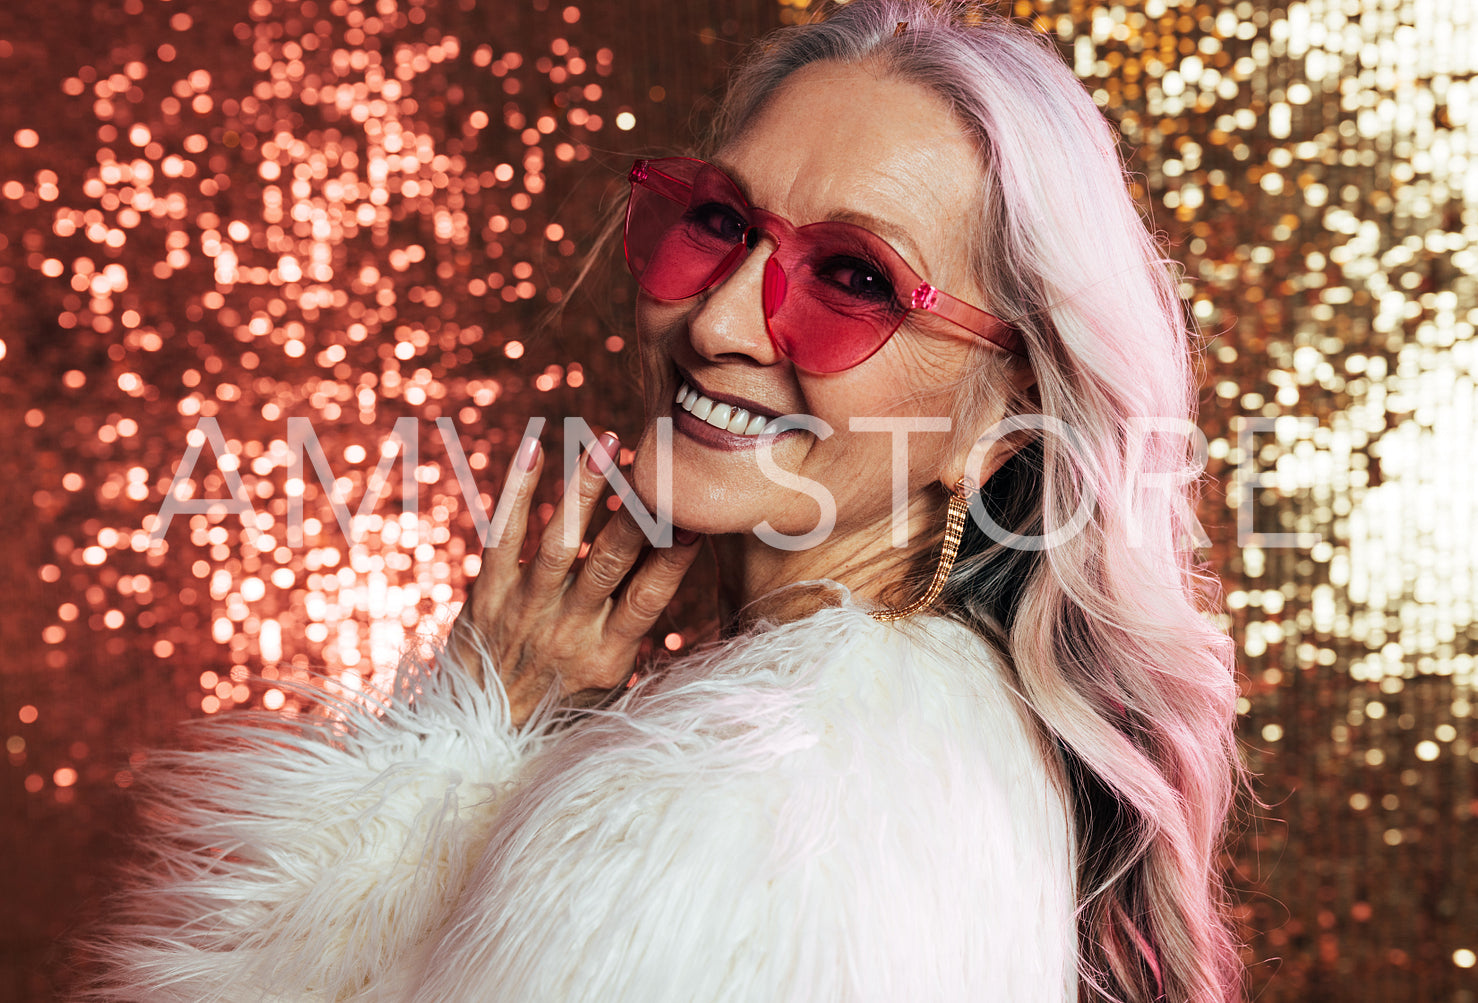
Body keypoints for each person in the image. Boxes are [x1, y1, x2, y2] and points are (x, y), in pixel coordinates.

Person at [82, 1, 1244, 1000]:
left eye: (852, 279)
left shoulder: (754, 801)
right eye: (720, 225)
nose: (719, 322)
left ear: (1002, 415)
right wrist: (497, 733)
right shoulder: (920, 763)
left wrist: (449, 760)